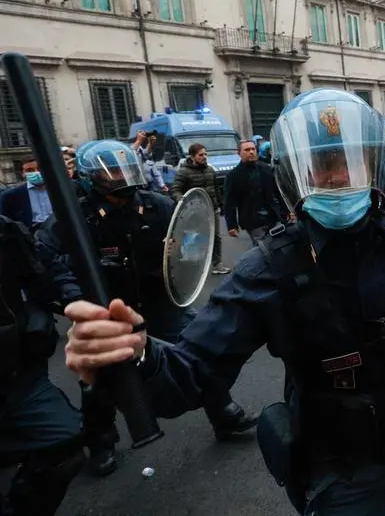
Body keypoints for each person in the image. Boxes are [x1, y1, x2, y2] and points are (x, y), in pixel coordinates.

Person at [62, 89, 385, 516]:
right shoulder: (267, 269)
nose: (338, 179)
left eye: (350, 162)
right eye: (322, 166)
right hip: (344, 463)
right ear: (294, 174)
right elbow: (189, 377)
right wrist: (133, 354)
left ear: (375, 162)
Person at [36, 141, 257, 477]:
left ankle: (222, 412)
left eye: (124, 170)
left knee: (197, 351)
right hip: (110, 309)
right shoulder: (74, 216)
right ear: (88, 177)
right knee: (99, 377)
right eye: (109, 174)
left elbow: (190, 239)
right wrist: (73, 296)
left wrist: (186, 257)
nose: (120, 179)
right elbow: (47, 256)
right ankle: (101, 441)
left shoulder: (157, 205)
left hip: (159, 300)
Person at [0, 216, 85, 515]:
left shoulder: (6, 230)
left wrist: (75, 301)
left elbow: (45, 273)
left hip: (15, 378)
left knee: (65, 445)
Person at [172, 143, 230, 275]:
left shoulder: (210, 170)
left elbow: (216, 189)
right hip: (194, 211)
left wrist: (221, 205)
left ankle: (217, 264)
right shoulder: (184, 172)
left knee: (215, 237)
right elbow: (176, 189)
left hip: (212, 209)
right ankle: (193, 268)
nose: (204, 157)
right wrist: (181, 200)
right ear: (192, 157)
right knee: (193, 236)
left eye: (205, 154)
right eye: (200, 155)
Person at [224, 140, 289, 245]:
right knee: (264, 248)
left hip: (273, 216)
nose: (251, 152)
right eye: (247, 150)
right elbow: (229, 202)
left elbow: (277, 192)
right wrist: (232, 225)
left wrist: (286, 211)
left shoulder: (266, 169)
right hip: (253, 221)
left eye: (253, 149)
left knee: (280, 245)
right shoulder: (233, 176)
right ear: (239, 153)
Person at [0, 157, 54, 229]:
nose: (36, 172)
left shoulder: (61, 189)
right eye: (30, 170)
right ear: (23, 173)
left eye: (39, 169)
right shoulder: (10, 196)